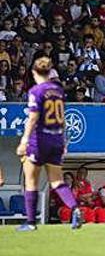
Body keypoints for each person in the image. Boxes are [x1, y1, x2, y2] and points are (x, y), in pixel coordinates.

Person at [15, 57, 83, 231]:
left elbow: (33, 118)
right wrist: (64, 140)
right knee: (56, 180)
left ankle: (30, 223)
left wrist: (24, 141)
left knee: (31, 180)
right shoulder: (58, 91)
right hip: (56, 139)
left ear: (34, 72)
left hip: (39, 139)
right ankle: (75, 209)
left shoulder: (36, 91)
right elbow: (63, 118)